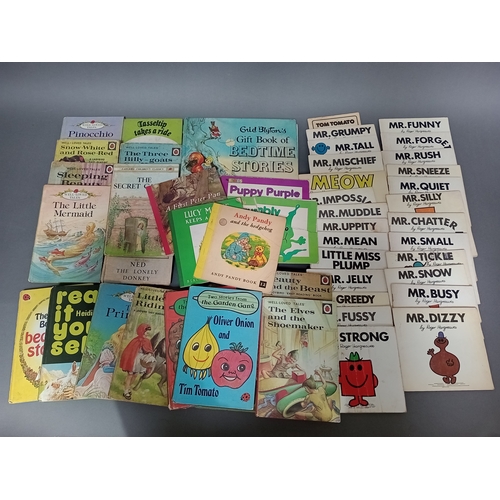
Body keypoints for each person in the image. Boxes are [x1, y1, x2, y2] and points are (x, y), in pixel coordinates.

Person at [119, 323, 156, 400]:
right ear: (142, 331)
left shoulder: (147, 341)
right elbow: (129, 351)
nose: (147, 333)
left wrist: (149, 355)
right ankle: (125, 391)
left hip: (140, 360)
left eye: (148, 331)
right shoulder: (135, 340)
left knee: (135, 375)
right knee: (130, 375)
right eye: (146, 331)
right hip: (133, 359)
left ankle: (128, 387)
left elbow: (149, 350)